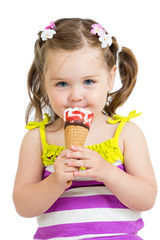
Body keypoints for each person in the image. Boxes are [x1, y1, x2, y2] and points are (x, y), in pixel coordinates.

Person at [13, 18, 157, 240]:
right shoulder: (38, 139)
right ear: (44, 84)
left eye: (88, 81)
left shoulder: (125, 133)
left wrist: (107, 172)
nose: (76, 96)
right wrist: (55, 181)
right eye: (62, 84)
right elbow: (23, 207)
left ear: (110, 79)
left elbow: (147, 199)